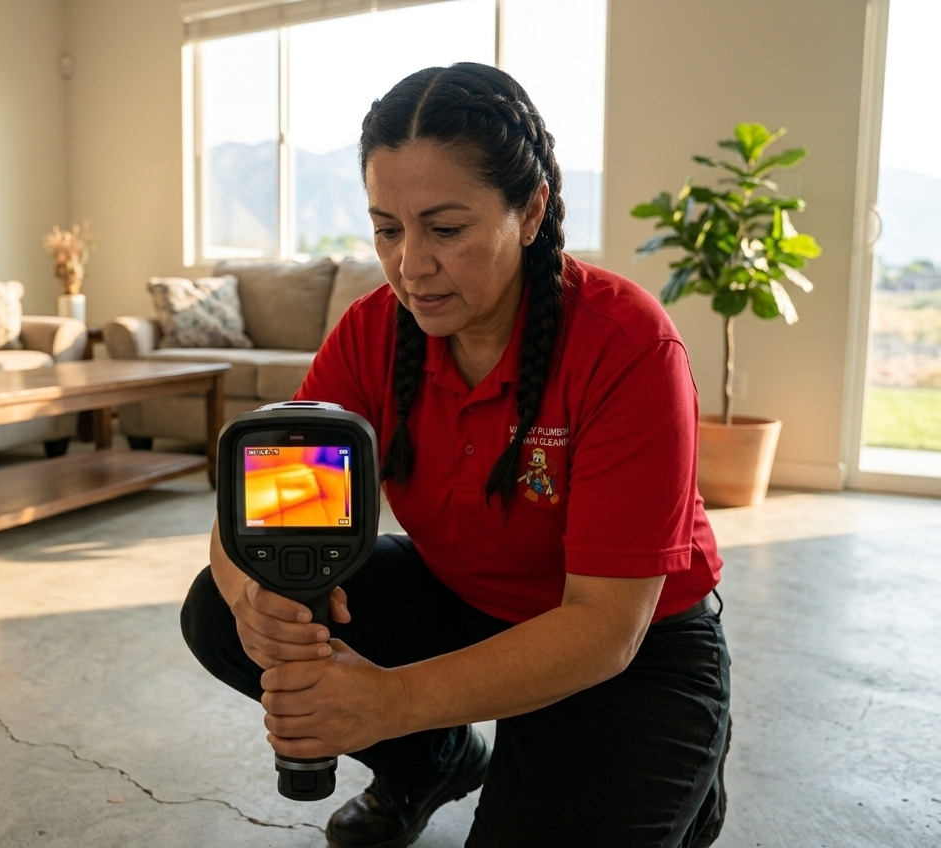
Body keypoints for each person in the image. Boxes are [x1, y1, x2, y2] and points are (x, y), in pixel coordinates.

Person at [181, 62, 731, 848]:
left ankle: (677, 765)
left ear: (530, 210)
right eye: (387, 229)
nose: (411, 265)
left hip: (628, 645)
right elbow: (265, 513)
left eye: (445, 230)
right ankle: (431, 761)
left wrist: (389, 701)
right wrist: (253, 603)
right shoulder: (373, 331)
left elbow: (606, 626)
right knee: (217, 606)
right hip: (464, 597)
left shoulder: (627, 345)